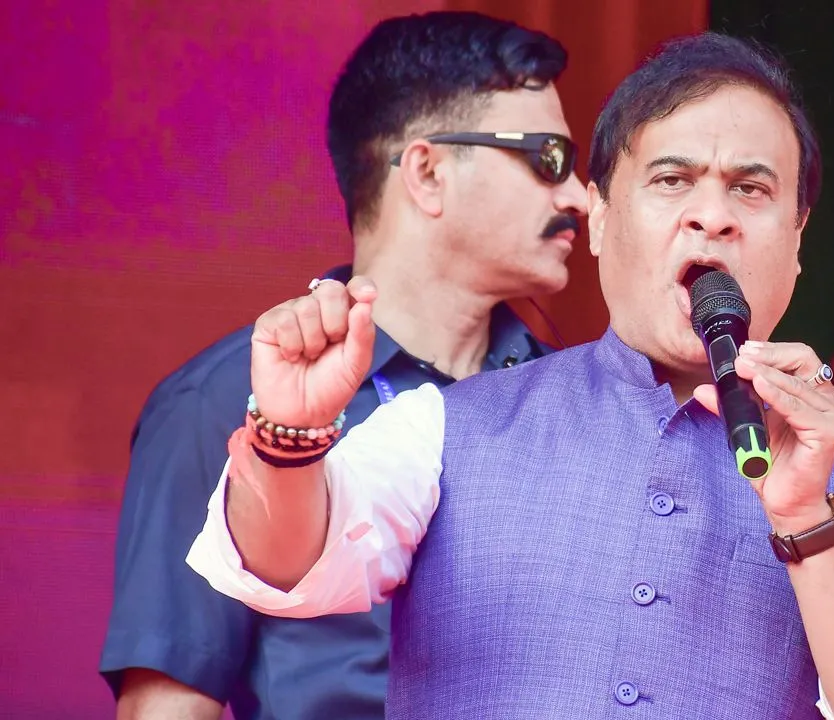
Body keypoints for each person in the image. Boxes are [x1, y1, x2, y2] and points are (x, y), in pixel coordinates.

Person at [187, 32, 834, 719]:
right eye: (671, 180)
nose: (713, 216)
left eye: (751, 189)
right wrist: (288, 439)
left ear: (797, 238)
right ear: (601, 218)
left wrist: (807, 517)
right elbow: (289, 567)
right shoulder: (449, 428)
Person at [100, 11, 587, 720]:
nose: (576, 195)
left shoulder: (571, 401)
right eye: (549, 158)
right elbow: (170, 706)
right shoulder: (225, 398)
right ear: (427, 173)